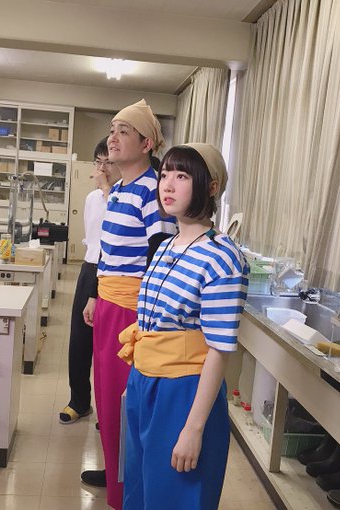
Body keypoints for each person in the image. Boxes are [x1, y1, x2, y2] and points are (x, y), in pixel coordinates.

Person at [118, 144, 249, 510]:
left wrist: (193, 428)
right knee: (141, 492)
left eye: (182, 176)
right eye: (165, 175)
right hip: (145, 382)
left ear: (211, 187)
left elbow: (219, 349)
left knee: (174, 496)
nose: (168, 184)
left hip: (184, 391)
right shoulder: (166, 245)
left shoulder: (223, 257)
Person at [81, 99, 176, 508]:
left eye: (124, 131)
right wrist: (94, 294)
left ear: (147, 143)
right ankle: (114, 470)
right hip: (107, 302)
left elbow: (161, 254)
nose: (113, 138)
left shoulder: (153, 191)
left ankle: (128, 487)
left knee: (126, 400)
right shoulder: (119, 188)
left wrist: (147, 316)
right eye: (112, 129)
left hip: (132, 311)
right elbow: (106, 250)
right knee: (105, 397)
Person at [59, 137, 121, 425]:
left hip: (115, 274)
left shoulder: (123, 197)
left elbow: (115, 230)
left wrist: (108, 190)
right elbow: (93, 237)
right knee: (79, 341)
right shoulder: (91, 198)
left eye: (109, 162)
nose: (103, 168)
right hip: (90, 268)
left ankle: (109, 410)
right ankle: (79, 401)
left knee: (109, 347)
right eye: (99, 162)